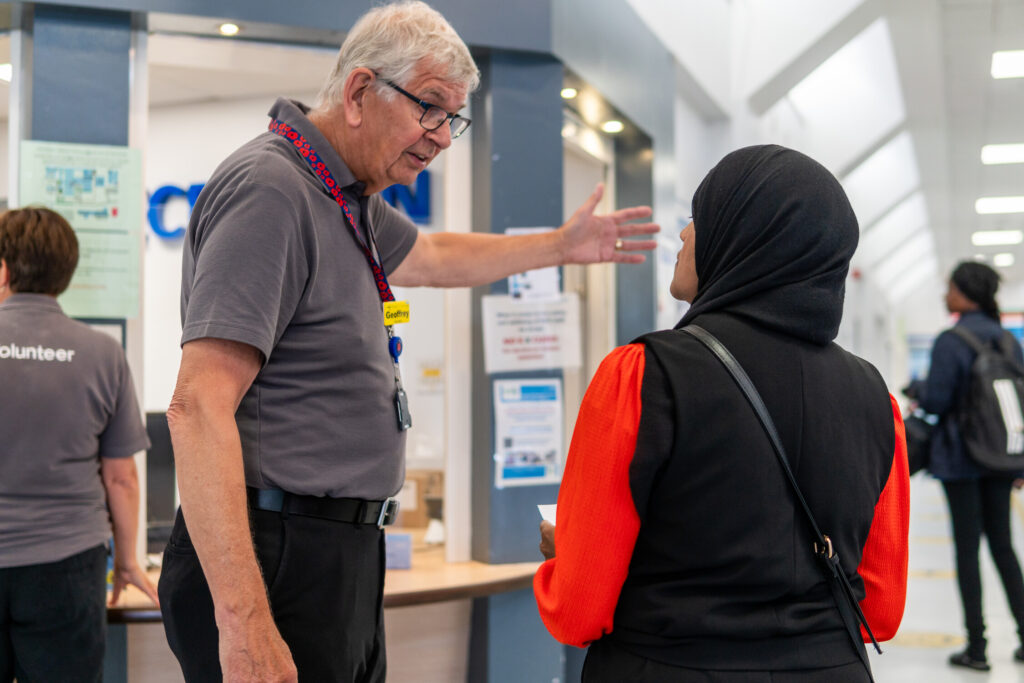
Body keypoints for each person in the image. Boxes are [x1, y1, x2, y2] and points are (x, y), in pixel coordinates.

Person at [156, 1, 659, 681]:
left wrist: (561, 247)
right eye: (430, 108)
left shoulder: (348, 197)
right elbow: (197, 405)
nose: (443, 136)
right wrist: (244, 622)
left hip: (337, 552)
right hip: (275, 549)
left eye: (453, 118)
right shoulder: (274, 190)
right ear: (361, 92)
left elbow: (438, 256)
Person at [533, 145, 910, 682]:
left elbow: (576, 610)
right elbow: (881, 609)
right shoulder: (878, 401)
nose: (684, 234)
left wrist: (559, 554)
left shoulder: (642, 375)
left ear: (744, 237)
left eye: (699, 218)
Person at [0, 207, 156, 683]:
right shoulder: (101, 353)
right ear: (65, 273)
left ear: (3, 269)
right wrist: (128, 560)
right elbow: (121, 477)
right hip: (67, 566)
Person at [904, 261, 1024, 671]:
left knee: (968, 550)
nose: (945, 294)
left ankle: (977, 648)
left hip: (961, 459)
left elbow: (937, 401)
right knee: (1004, 546)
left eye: (949, 287)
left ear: (963, 292)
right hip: (1001, 457)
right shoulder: (1008, 341)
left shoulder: (951, 340)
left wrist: (916, 390)